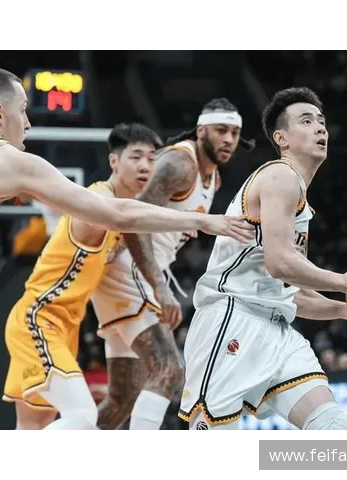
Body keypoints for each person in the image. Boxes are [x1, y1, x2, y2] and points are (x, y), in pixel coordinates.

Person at [0, 65, 250, 432]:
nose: (27, 123)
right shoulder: (6, 159)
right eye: (23, 110)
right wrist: (202, 220)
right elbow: (118, 213)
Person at [178, 87, 347, 431]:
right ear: (282, 138)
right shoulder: (280, 176)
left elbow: (294, 293)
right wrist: (345, 282)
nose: (320, 128)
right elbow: (279, 263)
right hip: (232, 318)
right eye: (306, 121)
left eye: (321, 121)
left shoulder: (298, 198)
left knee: (333, 427)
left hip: (276, 328)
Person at [91, 98, 255, 431]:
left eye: (234, 133)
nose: (229, 139)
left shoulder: (213, 178)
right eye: (221, 131)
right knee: (169, 370)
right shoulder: (180, 163)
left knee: (123, 397)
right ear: (201, 131)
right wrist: (160, 288)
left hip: (131, 274)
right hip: (128, 271)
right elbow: (132, 223)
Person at [2, 122, 164, 431]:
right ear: (114, 161)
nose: (145, 166)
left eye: (151, 159)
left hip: (64, 326)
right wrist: (206, 222)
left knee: (32, 428)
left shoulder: (118, 216)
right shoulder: (99, 200)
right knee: (83, 419)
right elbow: (128, 215)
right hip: (39, 319)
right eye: (136, 157)